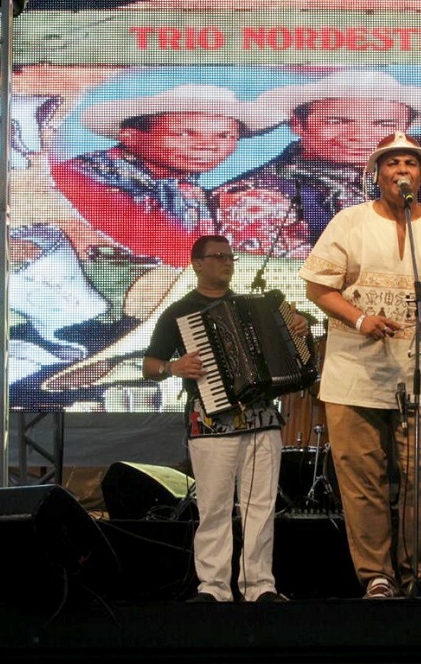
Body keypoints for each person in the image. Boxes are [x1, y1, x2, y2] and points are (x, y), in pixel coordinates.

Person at [299, 131, 421, 599]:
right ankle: (376, 575)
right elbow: (317, 287)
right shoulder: (349, 221)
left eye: (410, 163)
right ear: (376, 173)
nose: (401, 170)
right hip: (353, 372)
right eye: (392, 163)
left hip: (416, 370)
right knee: (362, 479)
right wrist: (360, 319)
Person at [142, 234, 310, 603]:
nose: (226, 262)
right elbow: (149, 365)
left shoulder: (254, 307)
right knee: (214, 507)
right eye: (217, 256)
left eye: (230, 257)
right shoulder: (179, 312)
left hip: (262, 420)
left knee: (261, 507)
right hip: (210, 423)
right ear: (197, 264)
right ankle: (214, 587)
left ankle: (260, 585)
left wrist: (299, 325)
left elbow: (295, 341)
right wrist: (173, 367)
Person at [210, 70, 421, 257]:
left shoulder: (408, 186)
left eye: (383, 124)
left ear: (405, 130)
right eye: (337, 121)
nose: (360, 136)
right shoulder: (257, 196)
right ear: (297, 124)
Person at [49, 84, 282, 267]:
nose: (208, 146)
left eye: (224, 136)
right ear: (130, 137)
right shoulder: (79, 180)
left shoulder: (195, 195)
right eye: (185, 134)